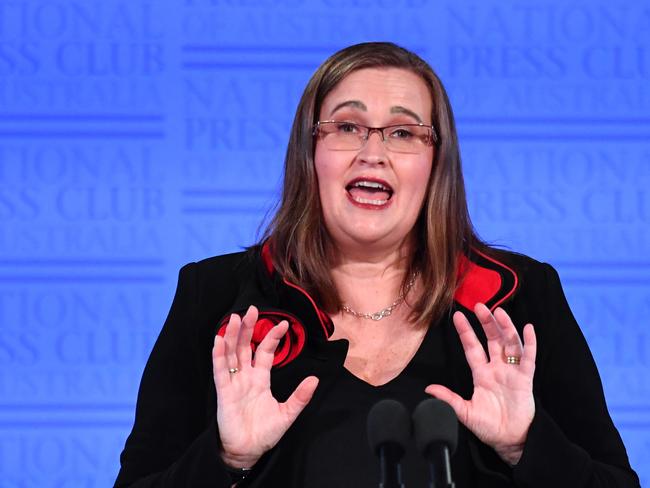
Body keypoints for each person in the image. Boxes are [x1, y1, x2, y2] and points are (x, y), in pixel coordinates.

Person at [114, 42, 640, 487]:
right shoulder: (216, 298)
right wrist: (226, 459)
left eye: (404, 133)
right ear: (310, 151)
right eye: (348, 126)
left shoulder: (521, 300)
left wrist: (527, 445)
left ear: (436, 166)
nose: (373, 152)